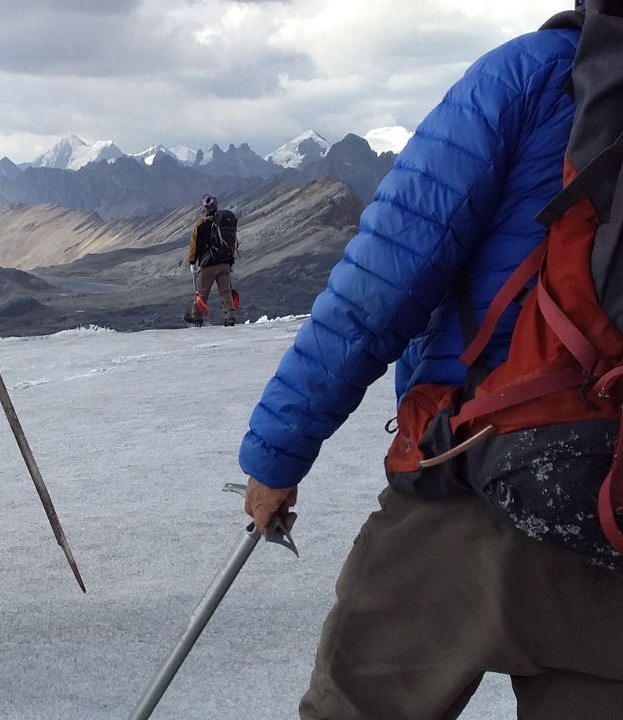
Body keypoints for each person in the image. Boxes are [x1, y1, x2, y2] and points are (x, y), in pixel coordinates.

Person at [239, 4, 623, 718]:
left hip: (478, 479)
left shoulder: (530, 77)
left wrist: (277, 455)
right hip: (615, 513)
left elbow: (382, 282)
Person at [184, 193, 237, 327]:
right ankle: (230, 316)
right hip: (225, 263)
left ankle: (197, 316)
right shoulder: (224, 222)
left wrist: (192, 262)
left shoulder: (200, 224)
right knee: (225, 291)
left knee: (202, 292)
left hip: (207, 265)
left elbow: (193, 245)